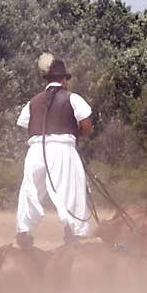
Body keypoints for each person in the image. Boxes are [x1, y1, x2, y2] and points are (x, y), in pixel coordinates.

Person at [14, 53, 94, 249]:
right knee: (71, 190)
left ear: (48, 80)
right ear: (63, 79)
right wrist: (75, 134)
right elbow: (86, 124)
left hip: (36, 151)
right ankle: (73, 234)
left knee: (30, 191)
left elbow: (25, 122)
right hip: (62, 149)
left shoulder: (33, 101)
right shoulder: (72, 98)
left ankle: (24, 232)